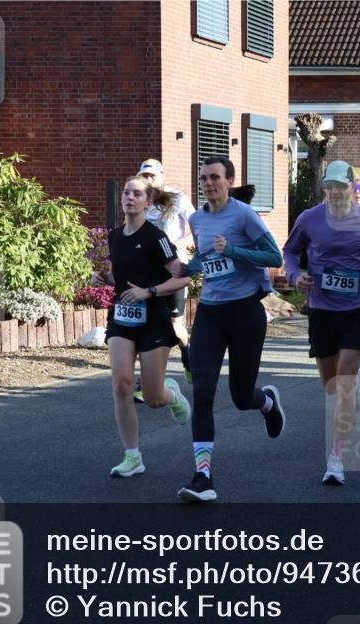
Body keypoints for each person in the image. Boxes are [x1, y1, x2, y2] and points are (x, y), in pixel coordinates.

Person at [177, 156, 285, 503]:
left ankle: (266, 402)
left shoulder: (244, 215)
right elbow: (206, 260)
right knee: (203, 389)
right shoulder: (196, 219)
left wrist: (235, 250)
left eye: (215, 178)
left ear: (230, 180)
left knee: (241, 397)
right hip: (210, 311)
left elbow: (274, 257)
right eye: (204, 178)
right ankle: (203, 475)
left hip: (245, 313)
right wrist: (187, 266)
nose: (208, 184)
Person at [284, 160, 360, 485]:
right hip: (321, 308)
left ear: (351, 188)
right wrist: (294, 275)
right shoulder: (309, 218)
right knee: (330, 385)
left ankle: (336, 458)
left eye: (339, 186)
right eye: (328, 186)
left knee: (343, 386)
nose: (333, 192)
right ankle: (354, 386)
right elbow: (290, 252)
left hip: (358, 308)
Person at [91, 176, 193, 479]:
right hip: (122, 318)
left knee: (152, 398)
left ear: (148, 203)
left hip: (154, 321)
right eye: (126, 192)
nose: (129, 197)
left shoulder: (155, 236)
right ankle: (132, 456)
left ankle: (170, 394)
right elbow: (123, 278)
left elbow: (182, 278)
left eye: (137, 194)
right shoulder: (115, 236)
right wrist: (105, 280)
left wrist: (148, 291)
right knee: (120, 384)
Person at [136, 159, 195, 382]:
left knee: (174, 326)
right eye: (145, 176)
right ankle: (146, 381)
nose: (148, 179)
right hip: (149, 271)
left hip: (175, 270)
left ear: (162, 177)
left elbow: (196, 228)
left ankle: (187, 351)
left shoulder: (177, 198)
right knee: (147, 326)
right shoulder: (140, 200)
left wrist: (175, 246)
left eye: (153, 176)